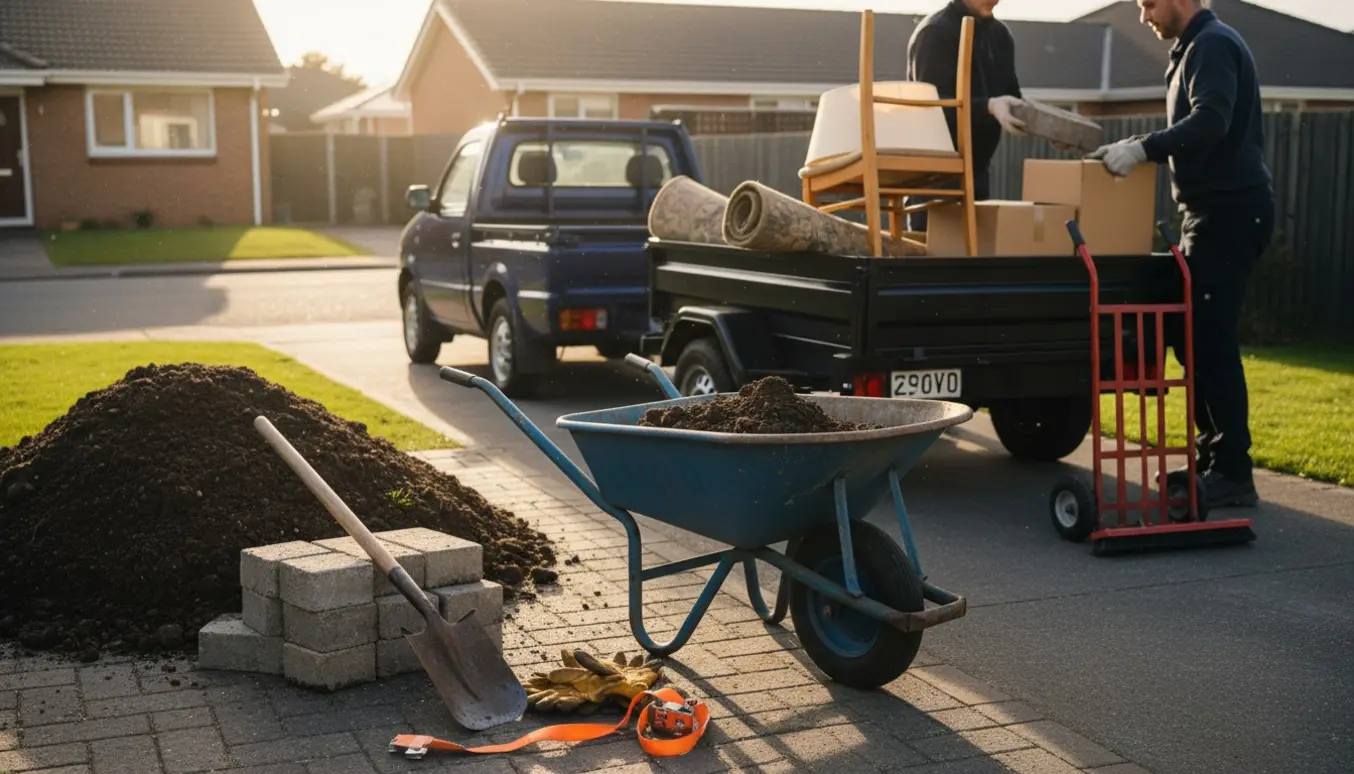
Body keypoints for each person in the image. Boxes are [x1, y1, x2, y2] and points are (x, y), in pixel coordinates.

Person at [1088, 0, 1275, 509]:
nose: (1144, 15)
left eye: (1148, 3)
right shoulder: (1192, 47)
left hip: (1230, 214)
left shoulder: (1212, 45)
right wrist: (1140, 143)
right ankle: (1214, 460)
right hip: (1210, 215)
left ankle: (1234, 472)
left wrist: (1144, 148)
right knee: (1193, 340)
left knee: (1210, 341)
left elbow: (1211, 120)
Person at [904, 0, 1029, 232]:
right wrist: (989, 107)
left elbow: (1013, 100)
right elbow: (932, 108)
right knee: (936, 264)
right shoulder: (935, 33)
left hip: (978, 174)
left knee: (972, 264)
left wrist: (1048, 126)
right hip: (935, 180)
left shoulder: (1000, 36)